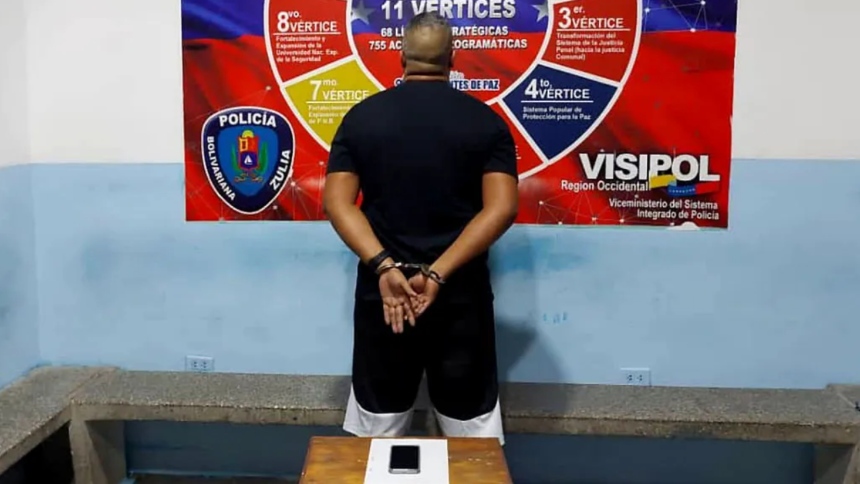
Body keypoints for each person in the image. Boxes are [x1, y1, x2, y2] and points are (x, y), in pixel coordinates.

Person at [322, 11, 519, 444]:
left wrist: (385, 266)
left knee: (379, 428)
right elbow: (502, 208)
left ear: (401, 57)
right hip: (458, 295)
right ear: (453, 57)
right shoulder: (485, 122)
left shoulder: (362, 118)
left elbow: (336, 203)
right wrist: (436, 273)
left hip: (385, 297)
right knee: (470, 433)